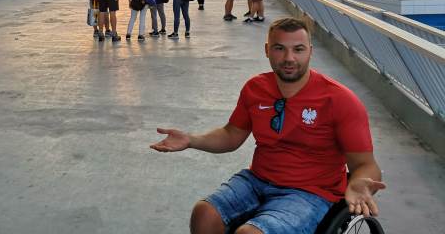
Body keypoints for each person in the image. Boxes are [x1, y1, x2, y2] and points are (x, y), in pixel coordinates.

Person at [151, 17, 385, 234]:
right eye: (279, 48)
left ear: (310, 52)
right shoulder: (256, 88)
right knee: (203, 215)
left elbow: (366, 165)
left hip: (310, 192)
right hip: (258, 180)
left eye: (298, 49)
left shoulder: (339, 100)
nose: (289, 58)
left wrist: (357, 184)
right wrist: (192, 140)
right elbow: (231, 135)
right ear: (267, 50)